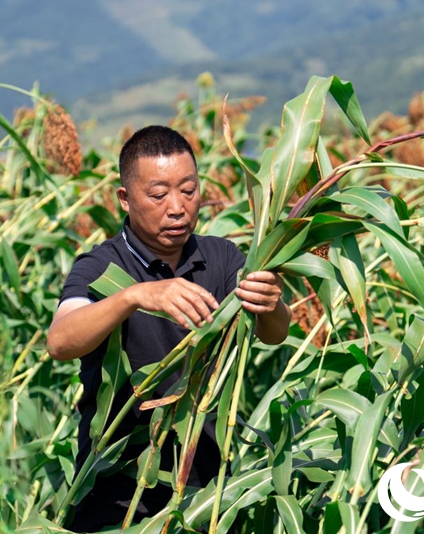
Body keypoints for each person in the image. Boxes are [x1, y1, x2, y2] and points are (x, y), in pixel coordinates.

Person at [47, 125, 291, 531]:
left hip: (205, 489)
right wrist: (135, 296)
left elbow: (274, 332)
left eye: (189, 191)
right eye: (158, 195)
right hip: (117, 487)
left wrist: (270, 303)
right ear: (125, 199)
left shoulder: (222, 257)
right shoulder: (100, 268)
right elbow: (60, 340)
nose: (177, 207)